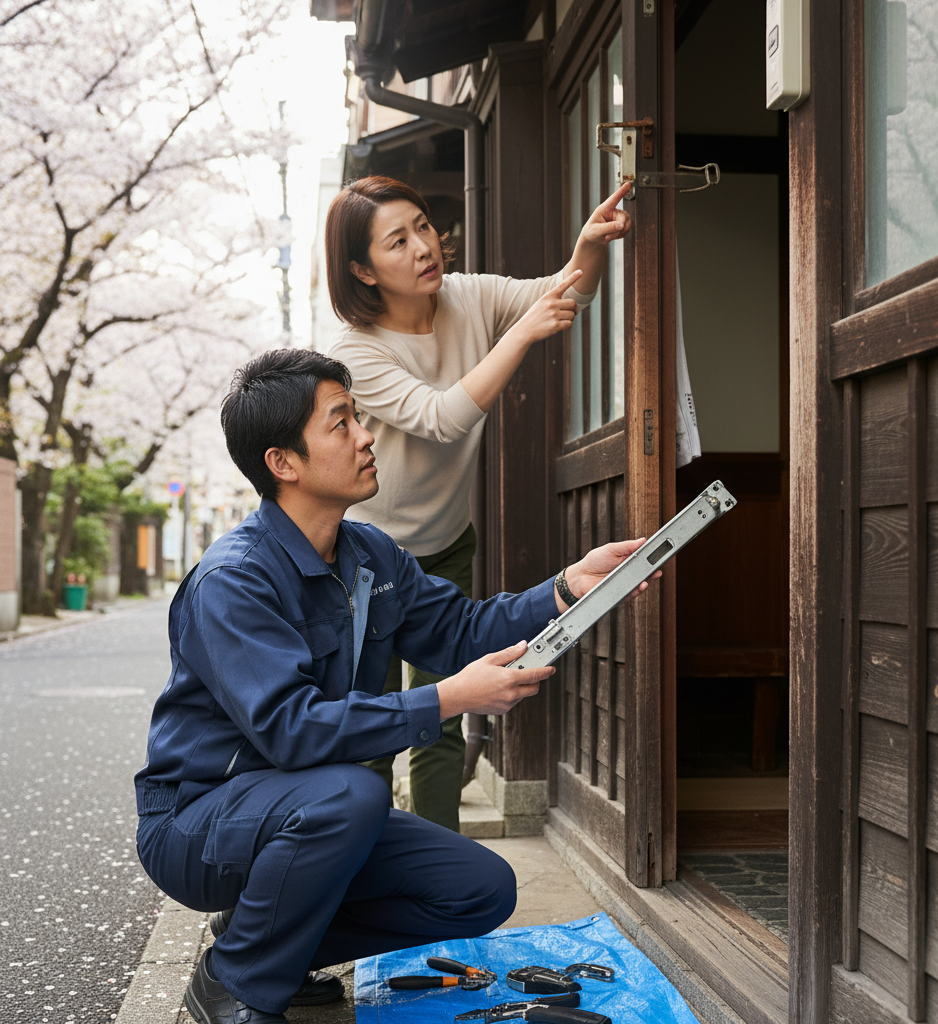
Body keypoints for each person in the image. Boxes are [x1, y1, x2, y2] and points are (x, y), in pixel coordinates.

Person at [134, 348, 659, 1024]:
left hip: (306, 807)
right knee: (354, 793)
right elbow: (292, 731)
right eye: (342, 423)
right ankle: (234, 981)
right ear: (283, 462)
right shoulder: (235, 579)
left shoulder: (370, 555)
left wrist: (564, 589)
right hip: (197, 826)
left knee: (478, 888)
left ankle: (265, 946)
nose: (366, 437)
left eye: (359, 418)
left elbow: (462, 631)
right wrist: (449, 699)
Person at [325, 175, 633, 831]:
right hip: (366, 559)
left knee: (443, 714)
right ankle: (365, 859)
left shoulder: (466, 296)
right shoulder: (356, 350)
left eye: (423, 227)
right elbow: (442, 418)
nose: (423, 247)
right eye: (397, 241)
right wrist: (518, 337)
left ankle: (436, 862)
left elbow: (565, 292)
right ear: (362, 269)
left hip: (445, 544)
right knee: (372, 722)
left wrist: (588, 245)